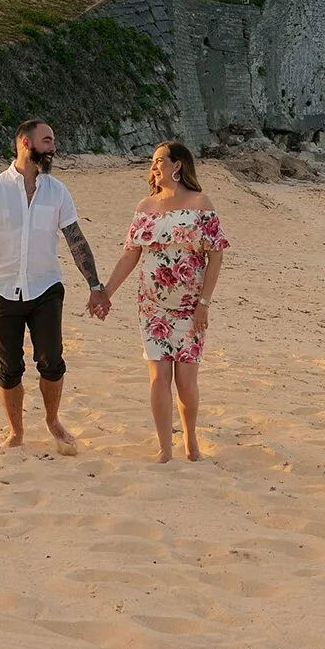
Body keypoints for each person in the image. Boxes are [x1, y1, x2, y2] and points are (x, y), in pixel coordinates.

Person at [0, 119, 107, 454]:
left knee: (51, 360)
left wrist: (95, 285)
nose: (53, 147)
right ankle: (16, 431)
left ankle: (52, 420)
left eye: (53, 141)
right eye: (47, 140)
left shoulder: (58, 191)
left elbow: (76, 240)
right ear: (25, 143)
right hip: (3, 290)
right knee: (9, 368)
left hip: (46, 288)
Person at [99, 140, 230, 463]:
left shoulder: (201, 204)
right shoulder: (145, 208)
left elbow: (215, 257)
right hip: (152, 307)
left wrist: (204, 303)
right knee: (158, 376)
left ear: (178, 166)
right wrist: (105, 292)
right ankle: (164, 447)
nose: (154, 167)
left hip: (190, 308)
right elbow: (130, 256)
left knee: (186, 382)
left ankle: (190, 440)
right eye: (153, 162)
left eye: (160, 161)